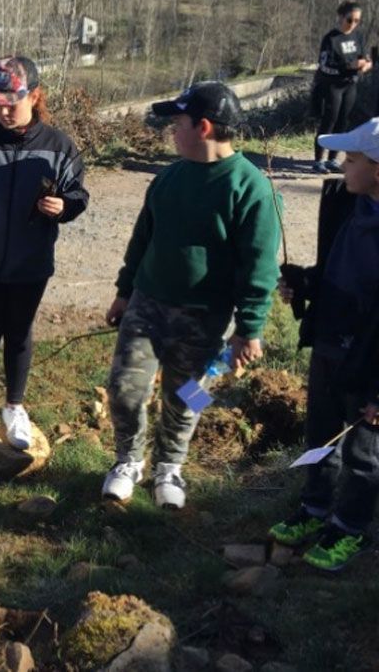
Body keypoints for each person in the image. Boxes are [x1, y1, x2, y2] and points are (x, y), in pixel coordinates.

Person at [269, 117, 379, 571]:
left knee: (363, 452)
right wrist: (305, 283)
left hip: (371, 365)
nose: (342, 167)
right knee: (321, 435)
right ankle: (314, 509)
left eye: (351, 159)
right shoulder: (353, 206)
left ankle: (350, 527)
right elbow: (339, 275)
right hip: (331, 346)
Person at [101, 82, 281, 510]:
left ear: (202, 127)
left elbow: (260, 266)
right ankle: (128, 461)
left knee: (190, 396)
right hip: (147, 304)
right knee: (123, 388)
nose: (171, 132)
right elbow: (143, 238)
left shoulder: (251, 188)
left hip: (205, 317)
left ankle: (170, 466)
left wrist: (249, 328)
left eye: (176, 124)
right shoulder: (168, 177)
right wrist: (125, 291)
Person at [0, 56, 89, 449]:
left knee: (21, 333)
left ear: (35, 95)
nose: (4, 111)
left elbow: (77, 194)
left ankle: (14, 407)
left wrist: (64, 207)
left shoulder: (60, 146)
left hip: (32, 261)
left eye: (11, 102)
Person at [311, 1, 372, 174]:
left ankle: (332, 159)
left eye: (357, 21)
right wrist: (349, 66)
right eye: (349, 19)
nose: (352, 24)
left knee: (343, 121)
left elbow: (364, 56)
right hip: (332, 85)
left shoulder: (358, 36)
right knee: (329, 120)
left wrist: (366, 64)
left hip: (350, 84)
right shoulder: (331, 38)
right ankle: (318, 160)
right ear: (340, 17)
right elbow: (324, 64)